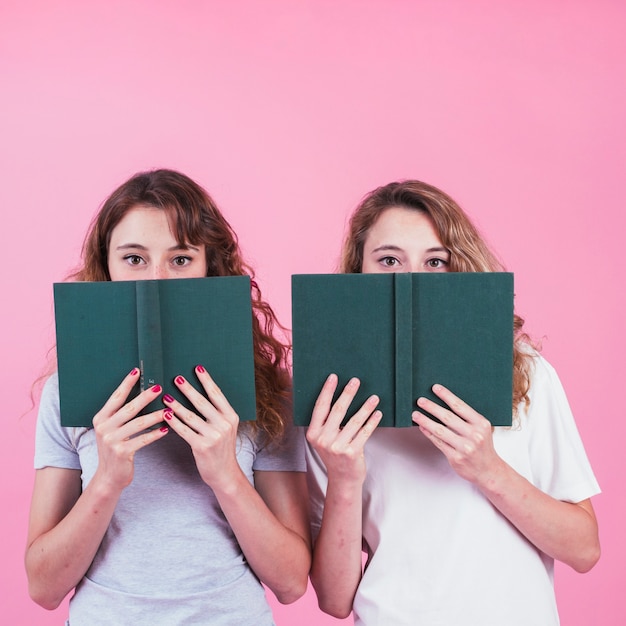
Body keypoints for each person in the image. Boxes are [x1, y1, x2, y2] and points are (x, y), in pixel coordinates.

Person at [305, 180, 600, 625]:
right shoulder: (331, 400)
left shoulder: (524, 371)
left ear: (458, 269)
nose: (412, 279)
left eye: (435, 261)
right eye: (389, 260)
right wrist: (345, 477)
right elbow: (334, 599)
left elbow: (584, 549)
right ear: (358, 271)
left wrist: (487, 468)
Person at [25, 169, 311, 625]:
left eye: (180, 259)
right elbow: (43, 587)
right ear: (107, 268)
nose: (156, 279)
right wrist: (107, 480)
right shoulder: (67, 395)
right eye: (134, 259)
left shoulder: (268, 392)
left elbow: (292, 583)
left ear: (208, 267)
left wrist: (225, 473)